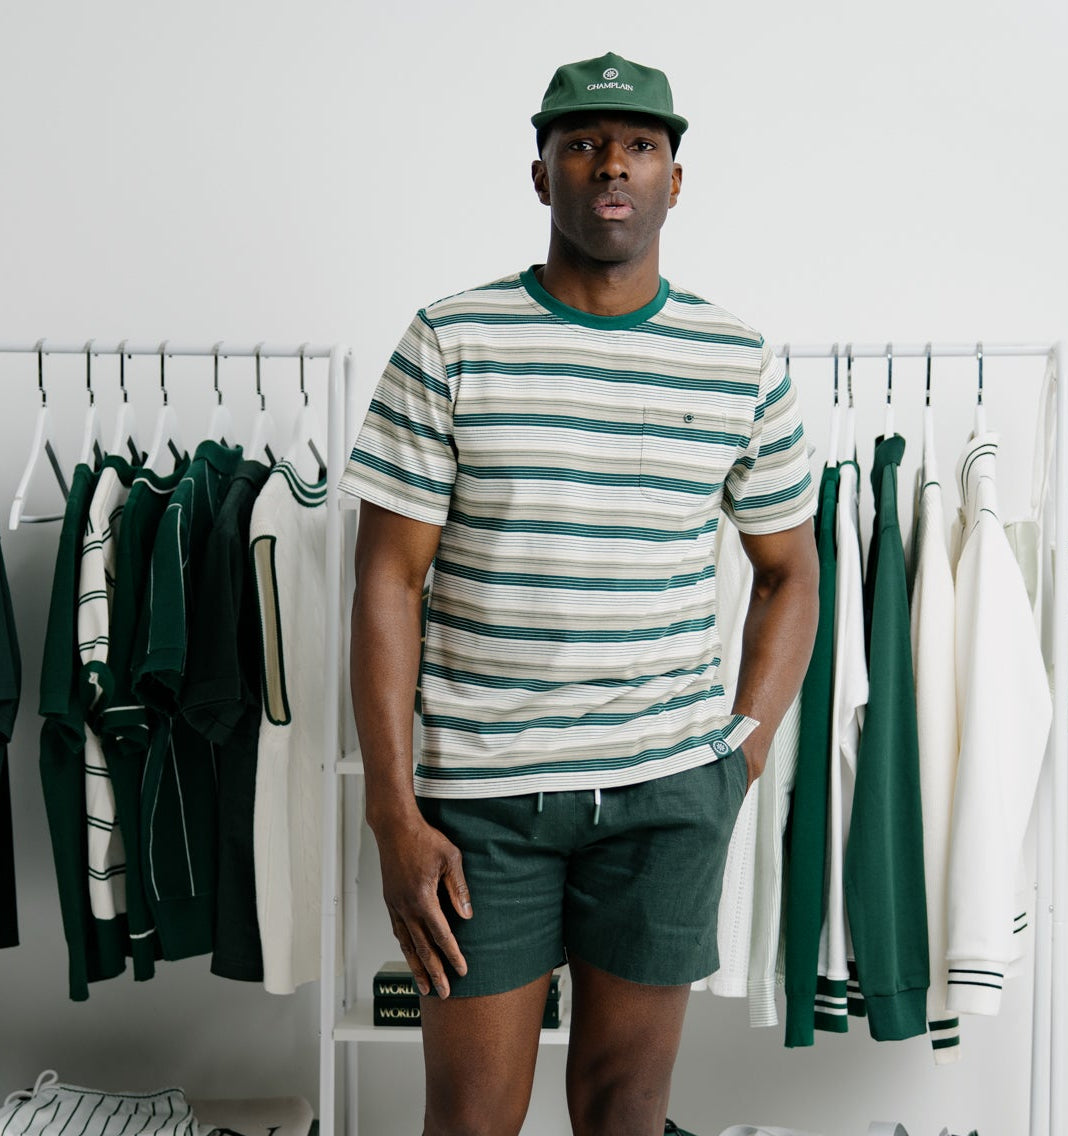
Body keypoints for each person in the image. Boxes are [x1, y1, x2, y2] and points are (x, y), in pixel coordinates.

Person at [342, 50, 819, 1136]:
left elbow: (790, 571)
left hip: (665, 797)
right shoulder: (450, 339)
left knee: (624, 1108)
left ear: (674, 179)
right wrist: (390, 810)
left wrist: (733, 753)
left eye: (640, 144)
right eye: (583, 143)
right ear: (541, 171)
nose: (612, 164)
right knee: (470, 1117)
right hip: (483, 807)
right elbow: (387, 576)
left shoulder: (737, 357)